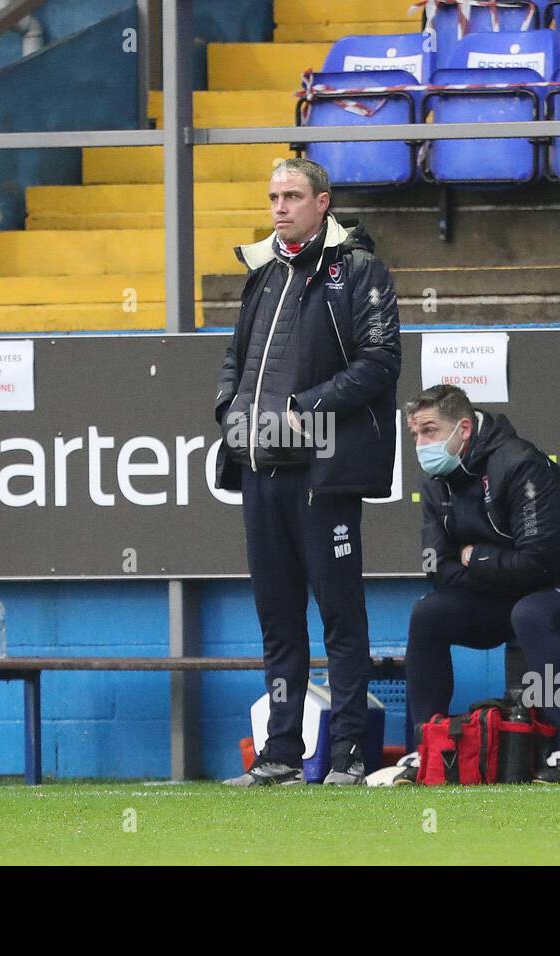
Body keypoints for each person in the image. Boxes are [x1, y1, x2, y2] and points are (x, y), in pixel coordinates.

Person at [214, 158, 401, 786]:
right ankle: (280, 753)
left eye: (292, 195)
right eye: (272, 196)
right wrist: (228, 412)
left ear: (324, 202)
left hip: (324, 471)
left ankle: (348, 751)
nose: (279, 207)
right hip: (259, 466)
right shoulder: (263, 271)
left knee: (341, 617)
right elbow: (234, 362)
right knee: (277, 618)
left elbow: (380, 363)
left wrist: (303, 408)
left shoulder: (361, 270)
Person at [404, 383, 560, 783]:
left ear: (465, 429)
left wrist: (476, 556)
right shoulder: (435, 484)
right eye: (416, 434)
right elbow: (438, 569)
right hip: (511, 594)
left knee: (533, 613)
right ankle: (427, 747)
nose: (421, 443)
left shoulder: (519, 463)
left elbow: (537, 562)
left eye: (430, 431)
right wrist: (486, 567)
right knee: (428, 613)